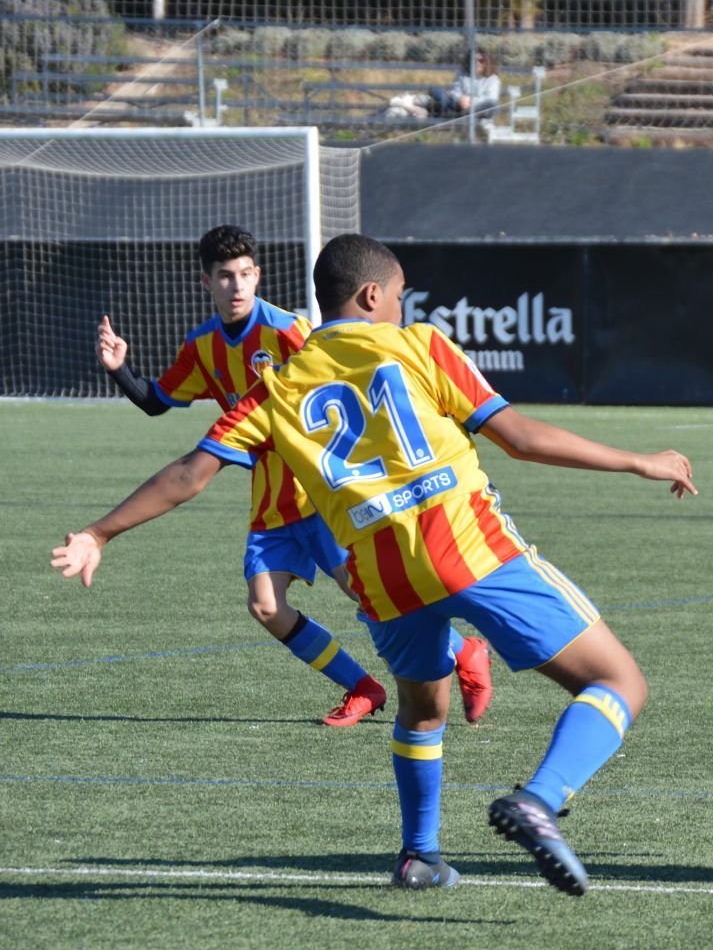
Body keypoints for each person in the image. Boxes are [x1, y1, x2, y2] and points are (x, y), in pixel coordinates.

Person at [55, 233, 696, 895]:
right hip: (466, 546)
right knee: (620, 682)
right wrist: (637, 460)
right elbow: (521, 438)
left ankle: (418, 854)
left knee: (423, 709)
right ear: (371, 295)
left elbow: (190, 473)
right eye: (398, 295)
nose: (401, 304)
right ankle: (541, 797)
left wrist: (100, 533)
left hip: (382, 579)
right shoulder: (420, 345)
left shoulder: (275, 387)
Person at [93, 224, 492, 728]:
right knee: (265, 606)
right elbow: (157, 402)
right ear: (206, 282)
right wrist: (120, 370)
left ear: (257, 275)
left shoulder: (290, 332)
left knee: (368, 593)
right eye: (223, 276)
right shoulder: (201, 345)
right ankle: (362, 687)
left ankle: (464, 652)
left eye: (243, 274)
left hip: (321, 496)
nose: (235, 286)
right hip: (270, 505)